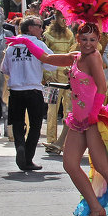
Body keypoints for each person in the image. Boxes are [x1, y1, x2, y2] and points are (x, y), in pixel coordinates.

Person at [15, 24, 108, 216]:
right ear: (78, 38)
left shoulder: (94, 57)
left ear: (98, 40)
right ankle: (96, 208)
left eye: (93, 40)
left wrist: (93, 115)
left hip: (93, 119)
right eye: (85, 39)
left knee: (101, 165)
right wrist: (26, 41)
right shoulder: (75, 56)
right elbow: (46, 58)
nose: (89, 44)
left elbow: (101, 88)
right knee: (70, 164)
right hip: (78, 119)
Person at [0, 16, 55, 171]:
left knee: (17, 123)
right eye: (40, 26)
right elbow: (52, 65)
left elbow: (4, 69)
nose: (42, 29)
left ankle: (20, 147)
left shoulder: (12, 45)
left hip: (16, 90)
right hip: (34, 89)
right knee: (35, 125)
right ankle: (28, 158)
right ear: (30, 28)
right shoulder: (38, 44)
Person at [41, 12, 76, 154]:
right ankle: (51, 139)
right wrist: (48, 75)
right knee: (52, 109)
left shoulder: (70, 35)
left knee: (69, 109)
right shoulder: (47, 35)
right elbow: (44, 56)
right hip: (53, 78)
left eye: (66, 18)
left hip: (67, 76)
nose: (64, 21)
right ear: (55, 18)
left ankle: (64, 140)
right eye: (61, 17)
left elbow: (73, 53)